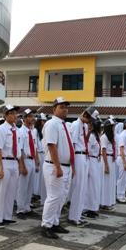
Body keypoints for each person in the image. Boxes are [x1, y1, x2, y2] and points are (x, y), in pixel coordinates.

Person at [41, 97, 73, 239]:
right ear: (54, 109)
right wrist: (58, 166)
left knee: (62, 197)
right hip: (55, 166)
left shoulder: (64, 124)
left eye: (66, 106)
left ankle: (54, 222)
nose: (65, 109)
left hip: (65, 166)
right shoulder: (52, 124)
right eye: (61, 106)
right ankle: (46, 225)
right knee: (54, 196)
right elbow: (51, 145)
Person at [0, 104, 24, 227]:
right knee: (1, 191)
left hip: (14, 162)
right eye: (11, 113)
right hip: (4, 161)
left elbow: (19, 150)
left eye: (15, 113)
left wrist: (20, 165)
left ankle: (6, 216)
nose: (14, 115)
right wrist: (0, 167)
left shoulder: (16, 130)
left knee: (11, 191)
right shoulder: (1, 129)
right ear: (5, 115)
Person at [68, 107, 98, 227]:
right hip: (78, 156)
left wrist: (89, 131)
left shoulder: (84, 126)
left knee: (83, 188)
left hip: (85, 156)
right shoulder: (76, 124)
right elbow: (73, 144)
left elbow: (84, 141)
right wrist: (73, 165)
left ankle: (77, 214)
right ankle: (74, 216)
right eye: (90, 119)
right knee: (78, 187)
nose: (90, 122)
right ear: (86, 115)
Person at [16, 108, 40, 219]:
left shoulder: (33, 132)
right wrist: (22, 165)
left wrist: (37, 161)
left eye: (33, 116)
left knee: (30, 186)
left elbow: (34, 148)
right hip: (25, 160)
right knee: (22, 186)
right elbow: (20, 150)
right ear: (24, 119)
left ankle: (27, 207)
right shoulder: (20, 132)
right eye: (30, 116)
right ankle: (20, 209)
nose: (32, 118)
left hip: (31, 160)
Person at [83, 119, 102, 218]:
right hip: (91, 160)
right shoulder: (91, 136)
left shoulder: (96, 136)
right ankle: (87, 208)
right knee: (91, 186)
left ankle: (93, 207)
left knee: (95, 186)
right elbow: (89, 150)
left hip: (96, 161)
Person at [100, 118, 116, 210]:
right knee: (106, 182)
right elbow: (103, 151)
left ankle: (109, 201)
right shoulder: (104, 137)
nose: (114, 128)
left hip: (111, 159)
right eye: (112, 126)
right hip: (107, 160)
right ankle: (104, 203)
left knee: (110, 182)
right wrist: (106, 165)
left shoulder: (110, 137)